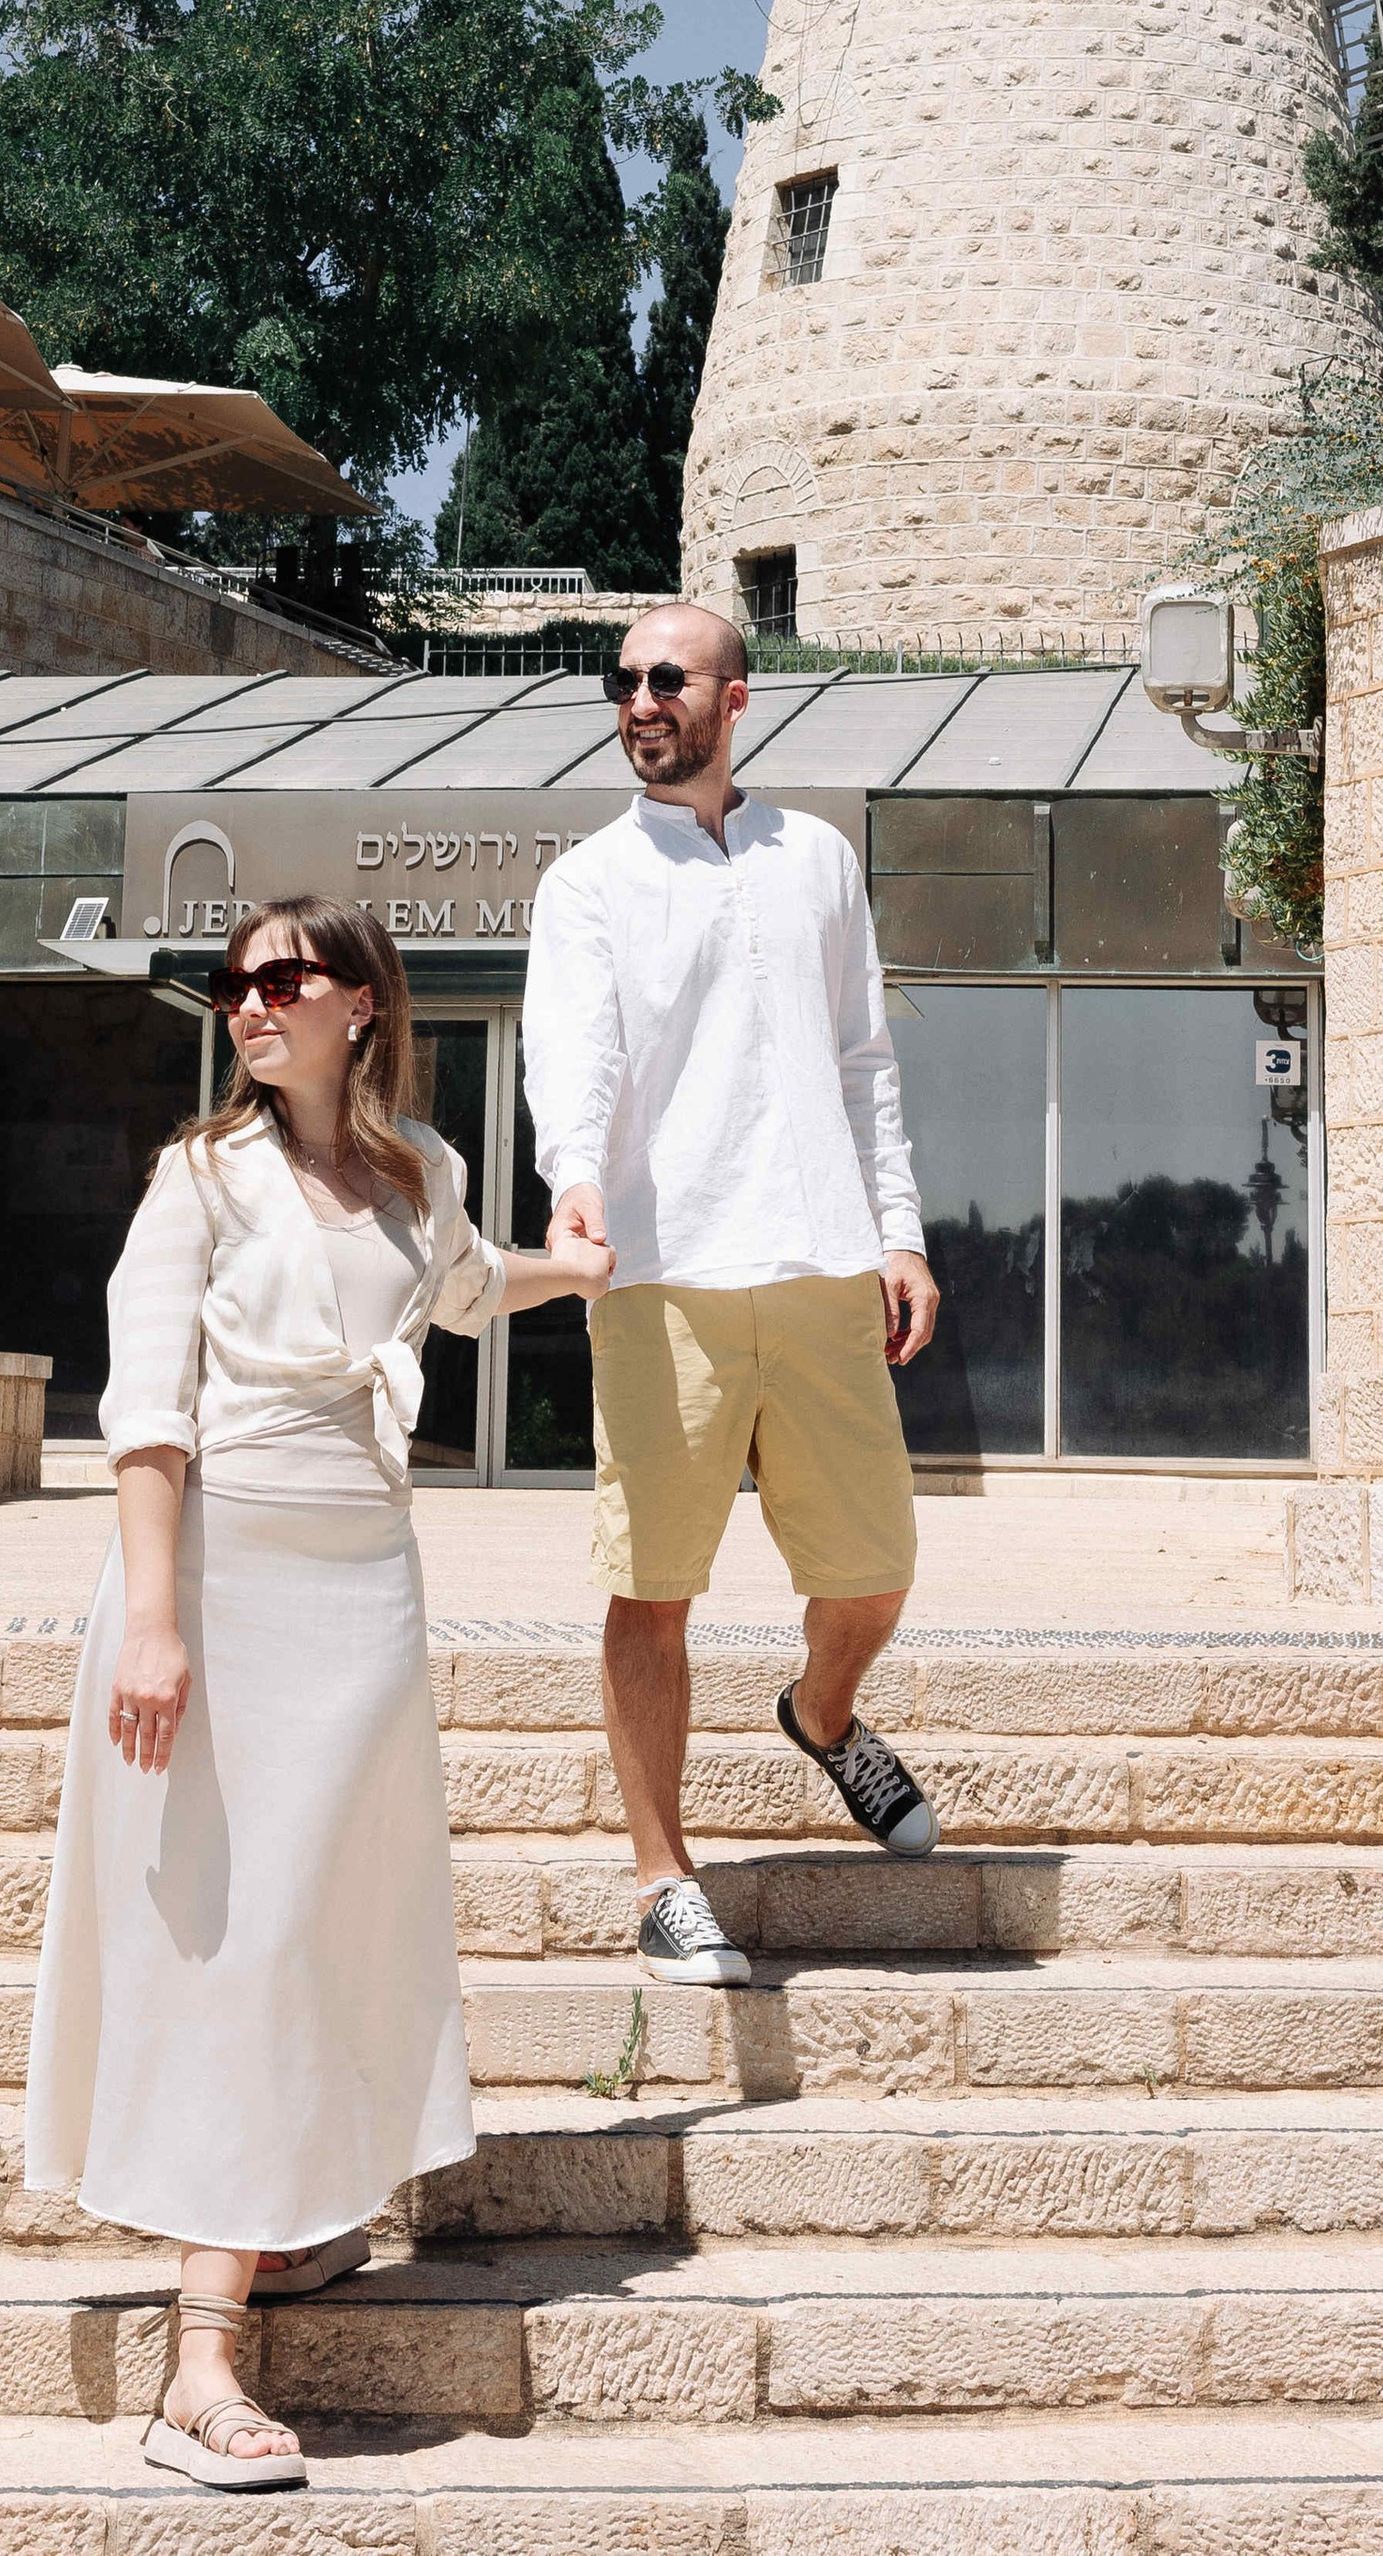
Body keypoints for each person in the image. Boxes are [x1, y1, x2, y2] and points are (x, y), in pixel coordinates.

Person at [24, 896, 611, 2493]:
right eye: (232, 984)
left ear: (362, 1001)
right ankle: (198, 2357)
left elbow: (474, 1284)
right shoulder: (197, 1177)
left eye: (280, 978)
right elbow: (147, 1410)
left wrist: (582, 1271)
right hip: (221, 1581)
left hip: (365, 1590)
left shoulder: (424, 1170)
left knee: (337, 1917)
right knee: (241, 1933)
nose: (247, 1005)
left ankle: (298, 2220)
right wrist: (153, 1621)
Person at [521, 600, 941, 1988]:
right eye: (624, 680)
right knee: (652, 1591)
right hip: (664, 1273)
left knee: (874, 1574)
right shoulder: (586, 882)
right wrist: (575, 1178)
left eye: (668, 678)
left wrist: (902, 1231)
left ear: (735, 697)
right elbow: (570, 1057)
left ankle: (823, 1719)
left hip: (822, 1261)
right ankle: (662, 1875)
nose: (640, 700)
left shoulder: (815, 857)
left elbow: (869, 1060)